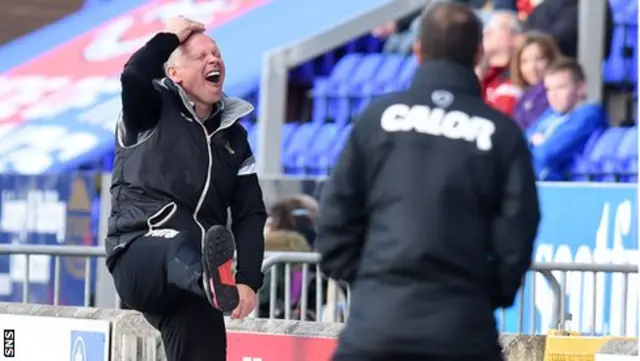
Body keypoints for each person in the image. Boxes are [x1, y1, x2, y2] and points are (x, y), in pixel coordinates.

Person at [316, 3, 541, 361]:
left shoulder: (377, 119)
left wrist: (367, 280)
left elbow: (335, 210)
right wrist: (489, 292)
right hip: (462, 328)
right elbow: (519, 227)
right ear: (478, 53)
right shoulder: (503, 133)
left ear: (418, 51)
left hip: (375, 325)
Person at [105, 16, 267, 361]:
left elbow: (250, 212)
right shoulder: (150, 108)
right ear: (174, 74)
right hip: (138, 253)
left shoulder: (234, 138)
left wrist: (249, 280)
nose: (214, 60)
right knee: (178, 243)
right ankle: (211, 282)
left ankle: (211, 284)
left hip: (196, 280)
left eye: (217, 53)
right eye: (200, 56)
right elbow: (133, 74)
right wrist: (169, 36)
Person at [526, 57, 607, 180]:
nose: (553, 95)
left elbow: (548, 153)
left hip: (567, 188)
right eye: (549, 89)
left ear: (580, 88)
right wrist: (533, 141)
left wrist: (538, 143)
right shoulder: (550, 114)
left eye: (560, 87)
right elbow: (520, 142)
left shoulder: (589, 114)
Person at [510, 31, 562, 130]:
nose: (532, 68)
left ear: (551, 59)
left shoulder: (554, 93)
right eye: (525, 61)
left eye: (539, 59)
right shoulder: (524, 96)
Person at [479, 10, 524, 116]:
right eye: (487, 27)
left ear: (517, 37)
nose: (486, 32)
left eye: (497, 28)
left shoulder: (519, 78)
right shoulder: (481, 74)